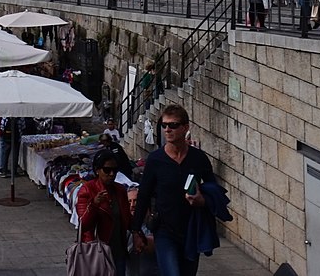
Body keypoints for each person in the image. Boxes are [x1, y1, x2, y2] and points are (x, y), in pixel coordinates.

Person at [132, 103, 216, 276]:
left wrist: (202, 201)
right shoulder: (156, 160)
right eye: (164, 125)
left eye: (173, 125)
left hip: (191, 230)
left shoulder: (198, 158)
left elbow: (214, 190)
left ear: (185, 127)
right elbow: (144, 195)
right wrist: (136, 230)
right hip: (164, 231)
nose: (167, 129)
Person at [75, 150, 132, 276]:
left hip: (118, 251)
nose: (112, 174)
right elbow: (84, 225)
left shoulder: (120, 190)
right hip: (96, 252)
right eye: (107, 170)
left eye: (115, 170)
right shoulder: (87, 190)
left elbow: (127, 219)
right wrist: (94, 204)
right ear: (97, 170)